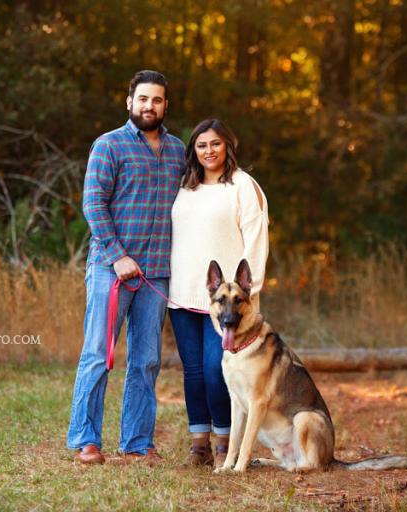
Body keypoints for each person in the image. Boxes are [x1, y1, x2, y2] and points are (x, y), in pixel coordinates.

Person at [67, 70, 185, 465]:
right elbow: (94, 205)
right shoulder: (109, 146)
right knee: (98, 354)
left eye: (156, 100)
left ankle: (136, 441)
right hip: (110, 269)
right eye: (142, 99)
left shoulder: (178, 151)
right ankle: (86, 440)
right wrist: (118, 255)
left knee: (147, 359)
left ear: (166, 105)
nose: (149, 106)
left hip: (156, 274)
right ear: (129, 101)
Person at [168, 118, 269, 468]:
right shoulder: (185, 186)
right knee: (193, 370)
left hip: (227, 301)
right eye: (201, 145)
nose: (208, 151)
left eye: (215, 144)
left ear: (227, 145)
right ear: (193, 150)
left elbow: (256, 241)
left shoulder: (243, 186)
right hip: (182, 291)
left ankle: (226, 443)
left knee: (216, 369)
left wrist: (249, 293)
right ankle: (199, 444)